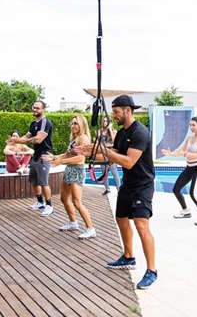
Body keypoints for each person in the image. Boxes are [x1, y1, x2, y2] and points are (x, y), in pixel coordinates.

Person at [75, 95, 157, 289]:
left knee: (141, 225)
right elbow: (112, 158)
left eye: (116, 112)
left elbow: (128, 161)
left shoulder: (140, 133)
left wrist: (105, 150)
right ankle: (128, 257)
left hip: (142, 185)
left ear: (127, 110)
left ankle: (152, 270)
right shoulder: (121, 134)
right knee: (121, 219)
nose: (114, 115)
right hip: (128, 185)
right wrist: (90, 150)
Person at [44, 115, 96, 239]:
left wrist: (60, 162)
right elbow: (67, 154)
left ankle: (91, 229)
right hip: (69, 170)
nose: (73, 126)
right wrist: (55, 157)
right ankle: (73, 223)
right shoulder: (75, 138)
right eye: (72, 124)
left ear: (82, 125)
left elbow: (81, 158)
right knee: (64, 198)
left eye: (76, 124)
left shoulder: (83, 138)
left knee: (77, 202)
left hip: (77, 171)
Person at [161, 115, 197, 226]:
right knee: (176, 189)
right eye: (190, 125)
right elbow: (181, 150)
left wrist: (184, 154)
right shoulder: (189, 138)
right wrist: (170, 154)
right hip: (189, 168)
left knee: (193, 193)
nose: (191, 127)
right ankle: (185, 210)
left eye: (193, 125)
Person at [9, 100, 55, 217]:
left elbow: (38, 139)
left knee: (44, 183)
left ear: (43, 109)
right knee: (34, 181)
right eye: (34, 107)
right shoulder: (33, 123)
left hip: (44, 155)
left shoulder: (45, 123)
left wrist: (21, 140)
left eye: (38, 108)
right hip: (36, 156)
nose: (35, 110)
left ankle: (49, 206)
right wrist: (16, 142)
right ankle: (40, 203)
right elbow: (27, 136)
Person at [99, 116, 121, 195]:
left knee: (114, 171)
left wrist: (110, 129)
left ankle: (119, 189)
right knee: (104, 172)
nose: (105, 122)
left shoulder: (114, 131)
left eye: (106, 121)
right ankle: (107, 189)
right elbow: (98, 143)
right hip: (103, 152)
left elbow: (115, 141)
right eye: (104, 121)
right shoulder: (99, 131)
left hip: (111, 151)